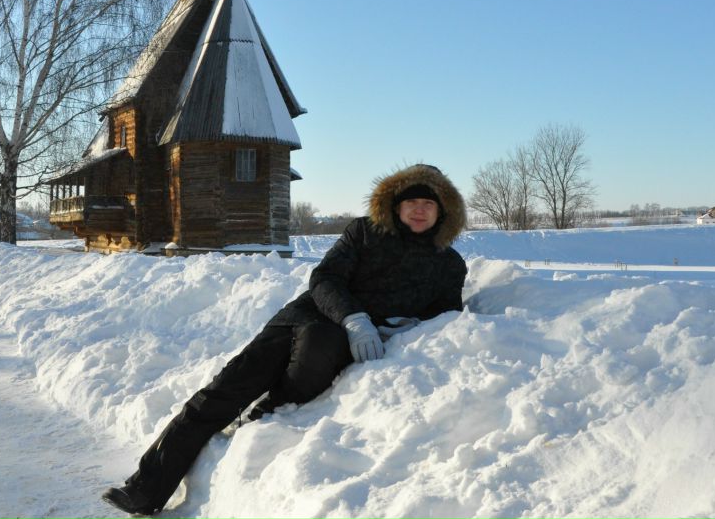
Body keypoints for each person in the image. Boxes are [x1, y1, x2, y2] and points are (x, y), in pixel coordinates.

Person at [102, 163, 468, 515]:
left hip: (330, 338)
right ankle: (144, 488)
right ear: (396, 205)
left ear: (443, 211)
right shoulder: (364, 233)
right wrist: (354, 317)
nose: (419, 211)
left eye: (428, 204)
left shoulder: (449, 264)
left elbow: (445, 312)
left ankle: (259, 423)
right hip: (302, 317)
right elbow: (324, 279)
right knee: (221, 393)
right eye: (411, 202)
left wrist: (397, 326)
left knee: (313, 357)